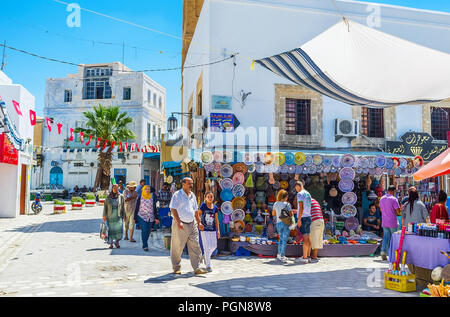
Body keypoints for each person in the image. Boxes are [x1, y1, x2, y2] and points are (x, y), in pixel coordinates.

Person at [169, 178, 207, 275]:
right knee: (177, 246)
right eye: (189, 183)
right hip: (180, 223)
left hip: (192, 223)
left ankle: (197, 267)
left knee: (195, 245)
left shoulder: (192, 195)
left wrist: (199, 222)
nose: (191, 185)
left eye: (192, 183)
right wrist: (178, 222)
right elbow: (173, 209)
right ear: (183, 184)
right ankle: (176, 267)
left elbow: (195, 211)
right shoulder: (177, 195)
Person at [195, 192, 220, 272]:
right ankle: (208, 266)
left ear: (213, 198)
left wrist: (218, 230)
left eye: (211, 196)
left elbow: (216, 220)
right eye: (208, 196)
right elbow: (198, 215)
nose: (210, 198)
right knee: (206, 247)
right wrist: (199, 223)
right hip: (204, 229)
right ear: (205, 198)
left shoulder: (215, 207)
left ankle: (205, 256)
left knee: (213, 246)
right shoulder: (203, 206)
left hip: (212, 229)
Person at [134, 185, 160, 251]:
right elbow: (136, 207)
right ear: (143, 190)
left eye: (148, 189)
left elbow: (155, 207)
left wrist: (156, 217)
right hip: (141, 216)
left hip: (151, 216)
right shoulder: (140, 197)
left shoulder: (153, 197)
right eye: (146, 189)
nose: (147, 190)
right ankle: (145, 245)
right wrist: (135, 217)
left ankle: (145, 242)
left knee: (148, 231)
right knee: (144, 229)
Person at [379, 185, 401, 261]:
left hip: (384, 220)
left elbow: (381, 210)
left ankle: (383, 251)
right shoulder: (394, 199)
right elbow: (398, 211)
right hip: (392, 221)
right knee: (393, 237)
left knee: (385, 237)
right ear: (393, 191)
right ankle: (393, 253)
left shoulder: (382, 199)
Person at [294, 180, 312, 264]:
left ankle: (304, 258)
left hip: (303, 217)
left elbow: (301, 207)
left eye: (296, 187)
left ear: (298, 186)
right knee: (307, 237)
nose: (296, 189)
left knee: (305, 237)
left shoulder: (300, 194)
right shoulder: (308, 193)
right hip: (308, 216)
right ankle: (307, 256)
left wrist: (299, 219)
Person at [272, 189, 292, 263]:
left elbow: (273, 214)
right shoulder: (287, 204)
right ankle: (282, 255)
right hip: (285, 223)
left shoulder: (275, 204)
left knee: (280, 239)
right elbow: (291, 214)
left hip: (278, 223)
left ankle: (279, 254)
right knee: (284, 240)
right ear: (285, 197)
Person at [103, 184, 125, 249]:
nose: (115, 189)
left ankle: (117, 242)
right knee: (111, 230)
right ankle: (111, 244)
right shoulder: (108, 196)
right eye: (114, 188)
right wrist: (104, 215)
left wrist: (124, 215)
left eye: (116, 188)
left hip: (118, 215)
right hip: (110, 216)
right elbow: (105, 207)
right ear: (112, 188)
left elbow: (123, 206)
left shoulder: (121, 196)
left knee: (119, 230)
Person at [310, 197, 324, 263]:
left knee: (314, 238)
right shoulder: (315, 201)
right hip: (320, 220)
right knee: (318, 238)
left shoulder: (307, 202)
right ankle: (314, 255)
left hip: (315, 221)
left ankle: (314, 256)